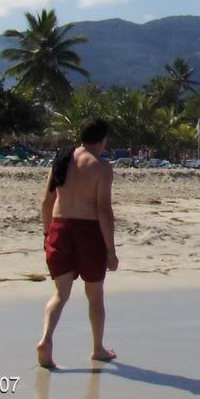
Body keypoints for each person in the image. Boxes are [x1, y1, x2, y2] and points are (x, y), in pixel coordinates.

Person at [37, 117, 119, 369]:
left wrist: (46, 233)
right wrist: (111, 250)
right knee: (95, 295)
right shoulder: (101, 167)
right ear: (103, 139)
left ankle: (46, 339)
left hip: (60, 229)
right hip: (88, 232)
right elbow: (104, 211)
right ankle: (98, 348)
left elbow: (46, 202)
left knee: (60, 294)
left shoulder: (61, 160)